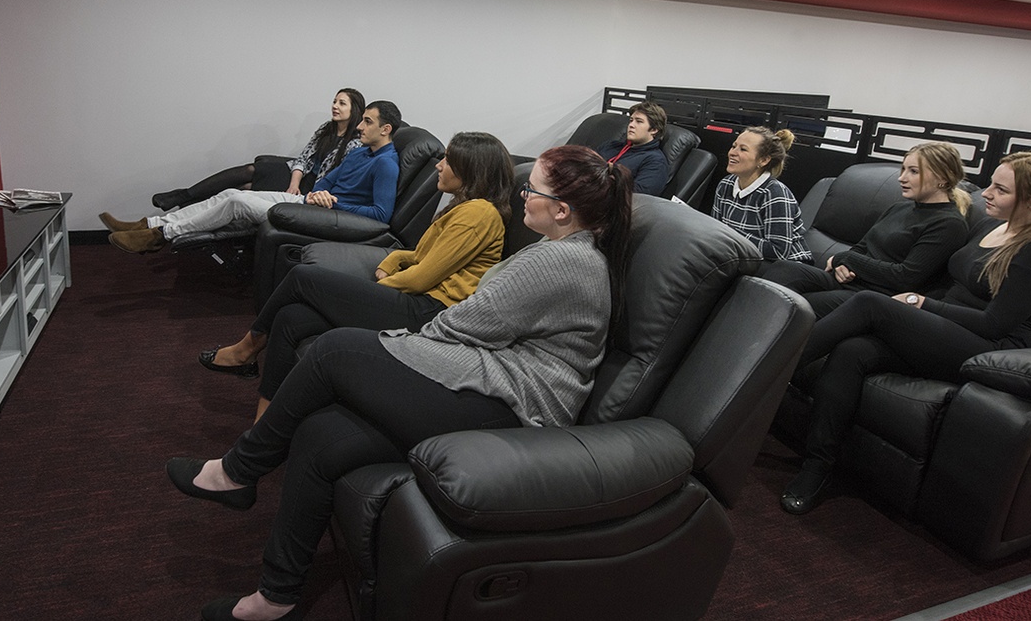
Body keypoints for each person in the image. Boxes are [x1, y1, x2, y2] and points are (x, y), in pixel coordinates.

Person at [164, 145, 633, 621]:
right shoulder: (562, 251)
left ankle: (238, 471)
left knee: (337, 349)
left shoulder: (559, 262)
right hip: (495, 377)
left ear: (561, 210)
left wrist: (403, 345)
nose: (523, 193)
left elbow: (463, 324)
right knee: (319, 435)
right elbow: (479, 321)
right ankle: (276, 597)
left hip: (516, 403)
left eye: (534, 189)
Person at [779, 150, 1031, 515]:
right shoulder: (993, 224)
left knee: (870, 304)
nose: (984, 192)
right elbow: (950, 280)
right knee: (853, 350)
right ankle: (818, 467)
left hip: (987, 347)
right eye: (991, 184)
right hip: (946, 330)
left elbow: (994, 324)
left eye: (1000, 190)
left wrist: (920, 303)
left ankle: (766, 375)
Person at [200, 131, 516, 422]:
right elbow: (421, 256)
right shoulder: (465, 208)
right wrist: (392, 260)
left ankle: (244, 349)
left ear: (470, 171)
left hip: (429, 311)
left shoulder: (479, 214)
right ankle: (264, 418)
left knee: (302, 277)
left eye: (449, 161)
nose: (440, 166)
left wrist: (374, 287)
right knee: (292, 317)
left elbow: (420, 278)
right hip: (419, 300)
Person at [99, 101, 402, 253]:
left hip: (325, 215)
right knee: (227, 194)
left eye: (367, 121)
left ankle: (160, 237)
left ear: (385, 129)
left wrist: (333, 204)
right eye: (362, 119)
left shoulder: (387, 164)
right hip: (310, 201)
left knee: (237, 203)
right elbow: (324, 181)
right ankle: (150, 224)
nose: (360, 125)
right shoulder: (360, 153)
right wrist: (319, 192)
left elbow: (381, 215)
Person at [761, 142, 971, 318]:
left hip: (873, 295)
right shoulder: (900, 207)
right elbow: (861, 248)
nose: (902, 178)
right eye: (903, 169)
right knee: (785, 269)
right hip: (849, 281)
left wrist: (846, 260)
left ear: (943, 178)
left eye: (913, 172)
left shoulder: (948, 224)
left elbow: (905, 277)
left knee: (800, 304)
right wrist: (842, 265)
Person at [150, 89, 365, 211]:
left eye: (342, 103)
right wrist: (293, 183)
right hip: (298, 177)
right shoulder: (326, 129)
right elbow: (303, 159)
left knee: (246, 187)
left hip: (314, 187)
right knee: (252, 169)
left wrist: (300, 190)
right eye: (334, 101)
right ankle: (183, 195)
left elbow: (332, 180)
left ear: (354, 109)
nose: (335, 106)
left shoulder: (354, 143)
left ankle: (188, 204)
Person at [711, 125, 813, 262]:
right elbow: (715, 230)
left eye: (743, 149)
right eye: (733, 146)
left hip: (786, 266)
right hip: (742, 258)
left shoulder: (774, 193)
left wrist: (729, 234)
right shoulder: (726, 184)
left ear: (763, 160)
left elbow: (778, 252)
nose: (732, 153)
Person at [594, 101, 669, 196]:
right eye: (631, 120)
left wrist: (614, 172)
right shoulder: (610, 146)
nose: (631, 125)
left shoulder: (655, 161)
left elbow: (639, 196)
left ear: (654, 130)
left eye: (639, 121)